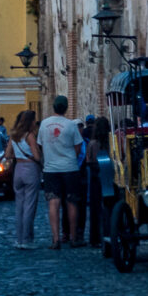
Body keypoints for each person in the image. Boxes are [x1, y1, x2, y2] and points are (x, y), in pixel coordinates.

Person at [37, 95, 85, 249]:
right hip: (70, 168)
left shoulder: (44, 124)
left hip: (51, 169)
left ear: (53, 107)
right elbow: (78, 147)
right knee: (71, 202)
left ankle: (56, 239)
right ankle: (73, 238)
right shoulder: (71, 125)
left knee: (53, 202)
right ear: (66, 108)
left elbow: (40, 145)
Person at [4, 110, 43, 249]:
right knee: (30, 206)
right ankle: (27, 239)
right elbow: (37, 157)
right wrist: (37, 154)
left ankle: (19, 239)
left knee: (19, 207)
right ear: (30, 122)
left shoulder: (14, 135)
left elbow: (8, 154)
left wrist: (18, 154)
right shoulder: (30, 136)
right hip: (30, 169)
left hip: (18, 170)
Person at [86, 116, 110, 247]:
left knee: (95, 209)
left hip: (95, 176)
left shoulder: (92, 143)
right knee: (107, 206)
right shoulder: (110, 143)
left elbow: (88, 160)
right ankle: (108, 232)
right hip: (108, 175)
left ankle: (94, 238)